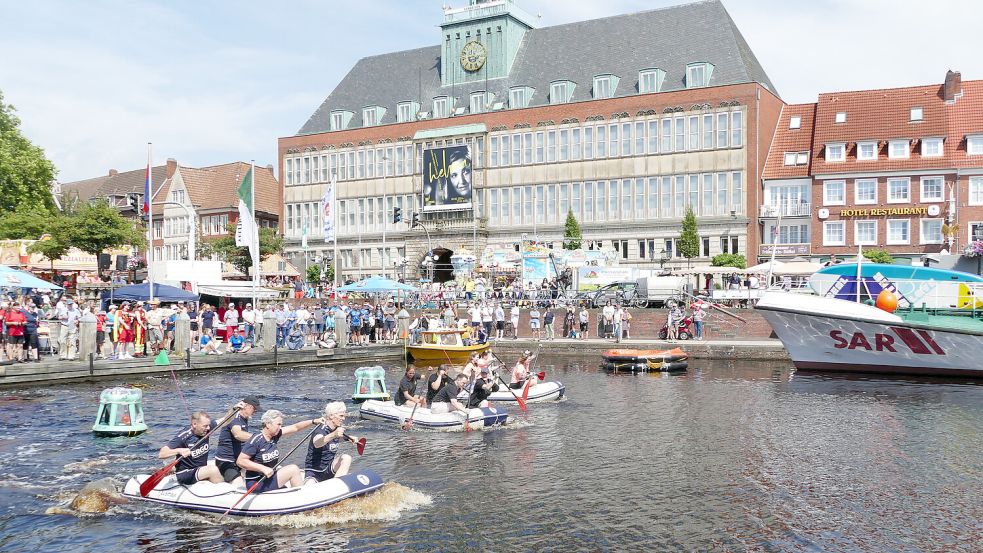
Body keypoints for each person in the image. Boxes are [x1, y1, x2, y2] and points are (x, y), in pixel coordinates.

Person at [237, 410, 324, 493]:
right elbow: (240, 461)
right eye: (278, 424)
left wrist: (313, 421)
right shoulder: (256, 441)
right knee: (293, 469)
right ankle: (300, 499)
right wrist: (263, 468)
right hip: (257, 482)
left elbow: (295, 427)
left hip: (269, 477)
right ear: (268, 424)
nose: (280, 427)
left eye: (281, 425)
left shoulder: (274, 436)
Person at [158, 409, 237, 486]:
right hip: (185, 473)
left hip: (199, 469)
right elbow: (162, 454)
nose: (208, 428)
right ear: (195, 424)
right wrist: (179, 450)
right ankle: (223, 492)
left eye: (209, 425)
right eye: (205, 426)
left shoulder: (206, 429)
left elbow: (225, 420)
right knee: (213, 470)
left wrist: (235, 409)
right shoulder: (183, 436)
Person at [305, 402, 361, 484]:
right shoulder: (320, 429)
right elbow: (317, 443)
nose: (344, 418)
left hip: (328, 468)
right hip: (314, 472)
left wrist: (348, 438)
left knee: (346, 458)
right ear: (331, 416)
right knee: (309, 486)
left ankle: (336, 485)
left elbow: (334, 439)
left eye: (344, 416)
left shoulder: (335, 429)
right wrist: (334, 435)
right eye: (341, 416)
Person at [213, 396, 259, 487]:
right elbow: (238, 434)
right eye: (254, 409)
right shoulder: (235, 418)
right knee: (238, 483)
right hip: (226, 462)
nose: (255, 412)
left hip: (238, 461)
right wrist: (257, 437)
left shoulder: (244, 418)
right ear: (247, 406)